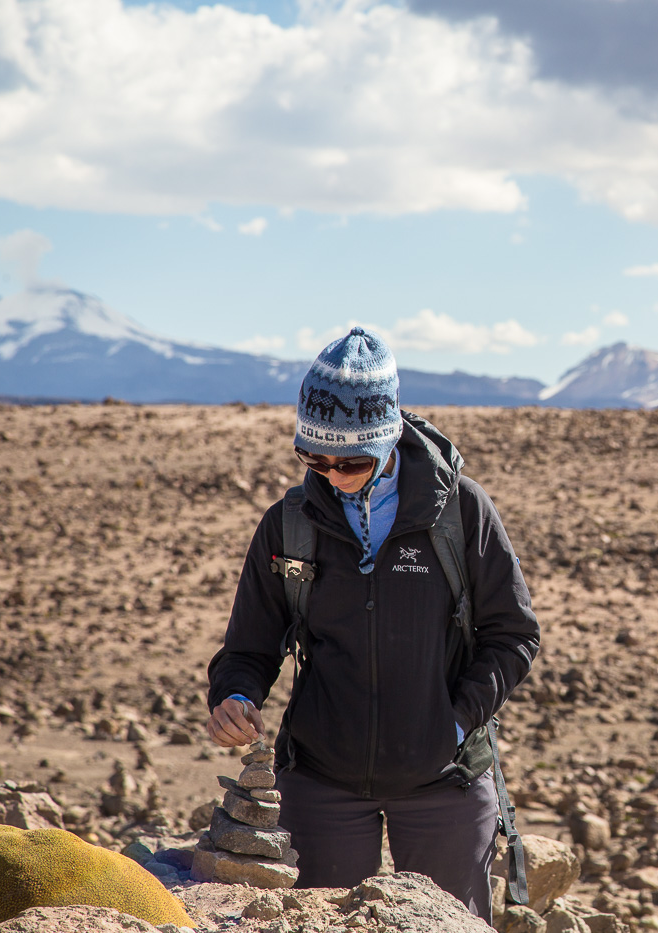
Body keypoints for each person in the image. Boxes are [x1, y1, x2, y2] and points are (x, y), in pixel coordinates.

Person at [205, 326, 540, 922]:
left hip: (446, 784)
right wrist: (234, 695)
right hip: (320, 785)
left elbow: (513, 635)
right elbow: (250, 647)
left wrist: (454, 723)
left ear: (387, 438)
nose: (333, 474)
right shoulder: (288, 524)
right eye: (314, 457)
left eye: (352, 459)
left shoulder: (462, 511)